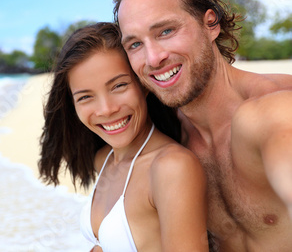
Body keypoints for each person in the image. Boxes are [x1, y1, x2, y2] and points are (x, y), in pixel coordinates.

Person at [113, 0, 292, 251]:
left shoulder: (275, 108)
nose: (153, 58)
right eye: (134, 44)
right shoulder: (165, 137)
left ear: (211, 23)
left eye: (166, 30)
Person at [39, 22, 208, 251]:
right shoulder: (104, 159)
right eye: (85, 97)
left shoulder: (171, 168)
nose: (106, 109)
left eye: (118, 86)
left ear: (144, 84)